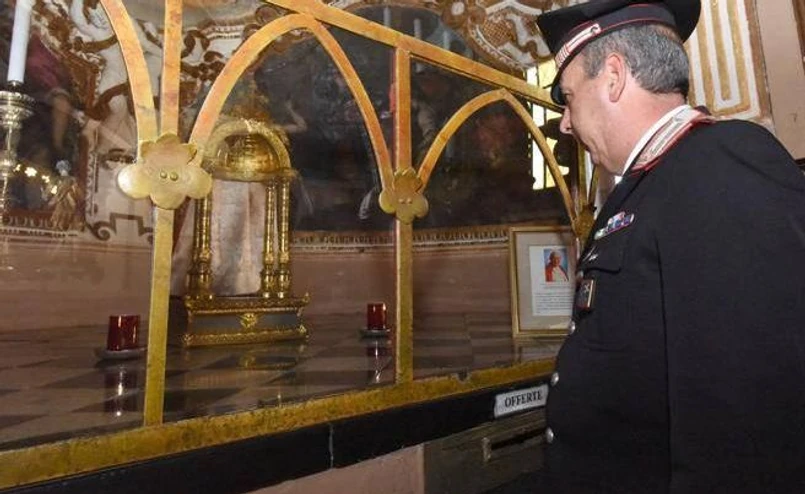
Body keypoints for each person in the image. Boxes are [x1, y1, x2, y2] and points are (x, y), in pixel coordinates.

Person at [535, 1, 805, 492]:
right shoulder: (653, 183)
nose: (566, 123)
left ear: (613, 77)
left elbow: (748, 426)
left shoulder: (719, 165)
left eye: (568, 98)